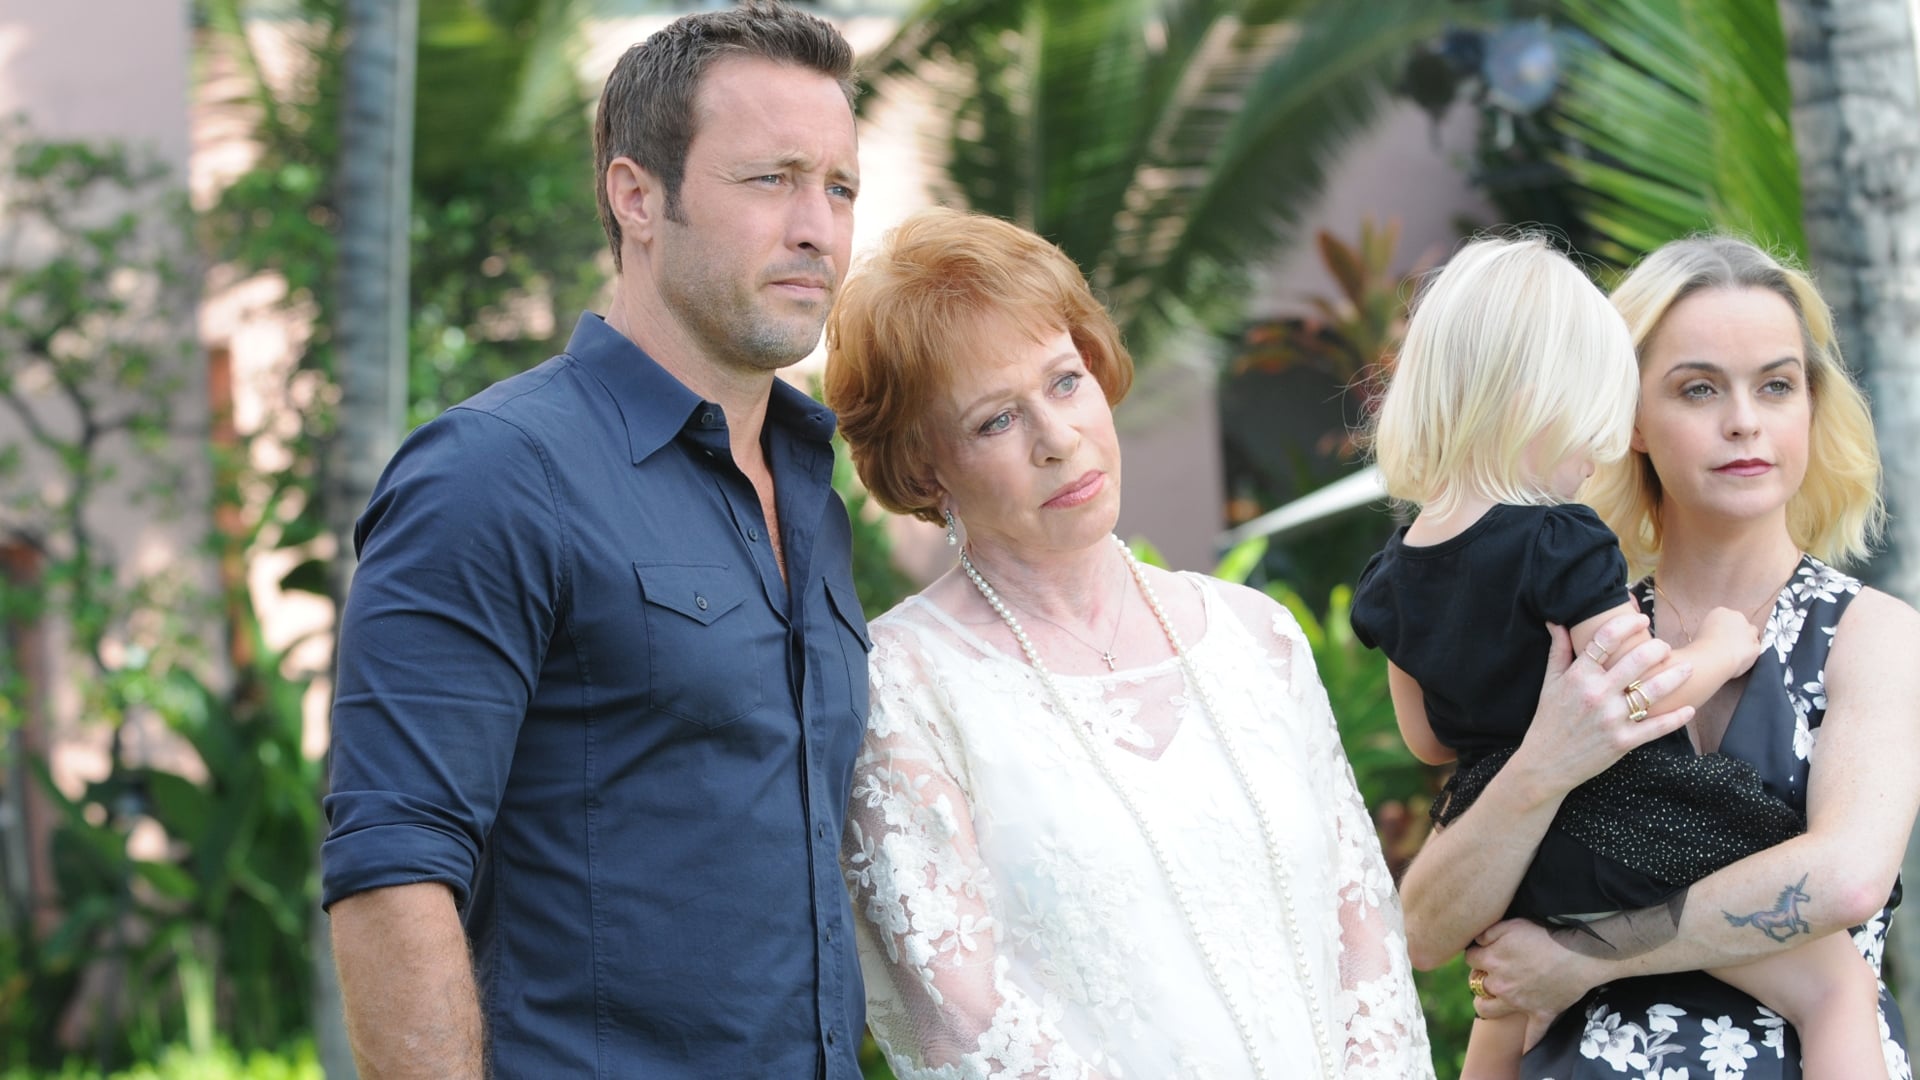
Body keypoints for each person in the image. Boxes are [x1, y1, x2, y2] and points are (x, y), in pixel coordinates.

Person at [320, 5, 873, 1076]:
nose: (818, 228)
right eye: (771, 179)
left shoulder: (812, 486)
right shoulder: (493, 473)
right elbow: (394, 867)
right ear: (637, 196)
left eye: (840, 188)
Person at [822, 206, 1431, 1079]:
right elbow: (963, 1021)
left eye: (1065, 382)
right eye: (996, 421)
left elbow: (1365, 939)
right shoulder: (899, 688)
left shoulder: (1257, 638)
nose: (1057, 439)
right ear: (924, 468)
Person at [1349, 235, 1888, 1079]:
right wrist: (1551, 759)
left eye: (1777, 385)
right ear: (1623, 414)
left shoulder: (1868, 632)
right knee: (1832, 987)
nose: (1744, 420)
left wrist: (1583, 956)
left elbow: (1846, 881)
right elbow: (1423, 930)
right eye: (1698, 388)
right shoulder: (1573, 584)